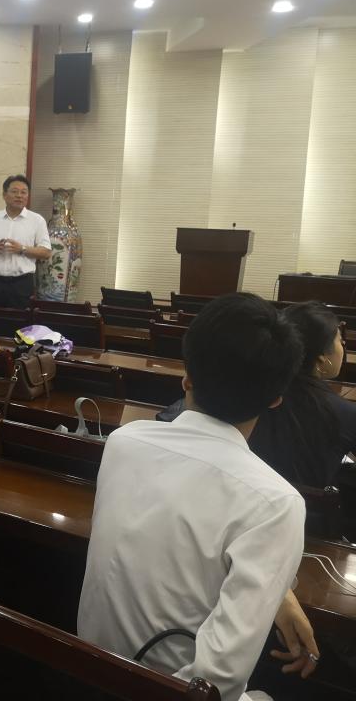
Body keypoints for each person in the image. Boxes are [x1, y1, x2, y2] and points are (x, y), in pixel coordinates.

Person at [78, 293, 318, 701]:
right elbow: (220, 680)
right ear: (276, 398)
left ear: (186, 378)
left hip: (86, 671)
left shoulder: (124, 442)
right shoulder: (277, 503)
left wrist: (279, 590)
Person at [249, 301, 356, 488]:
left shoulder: (251, 391)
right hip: (308, 505)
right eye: (339, 340)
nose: (343, 344)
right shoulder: (345, 413)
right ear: (322, 358)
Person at [0, 175, 51, 309]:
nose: (19, 196)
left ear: (28, 196)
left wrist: (22, 249)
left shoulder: (37, 220)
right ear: (4, 195)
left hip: (21, 284)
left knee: (19, 322)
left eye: (23, 192)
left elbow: (46, 252)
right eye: (14, 191)